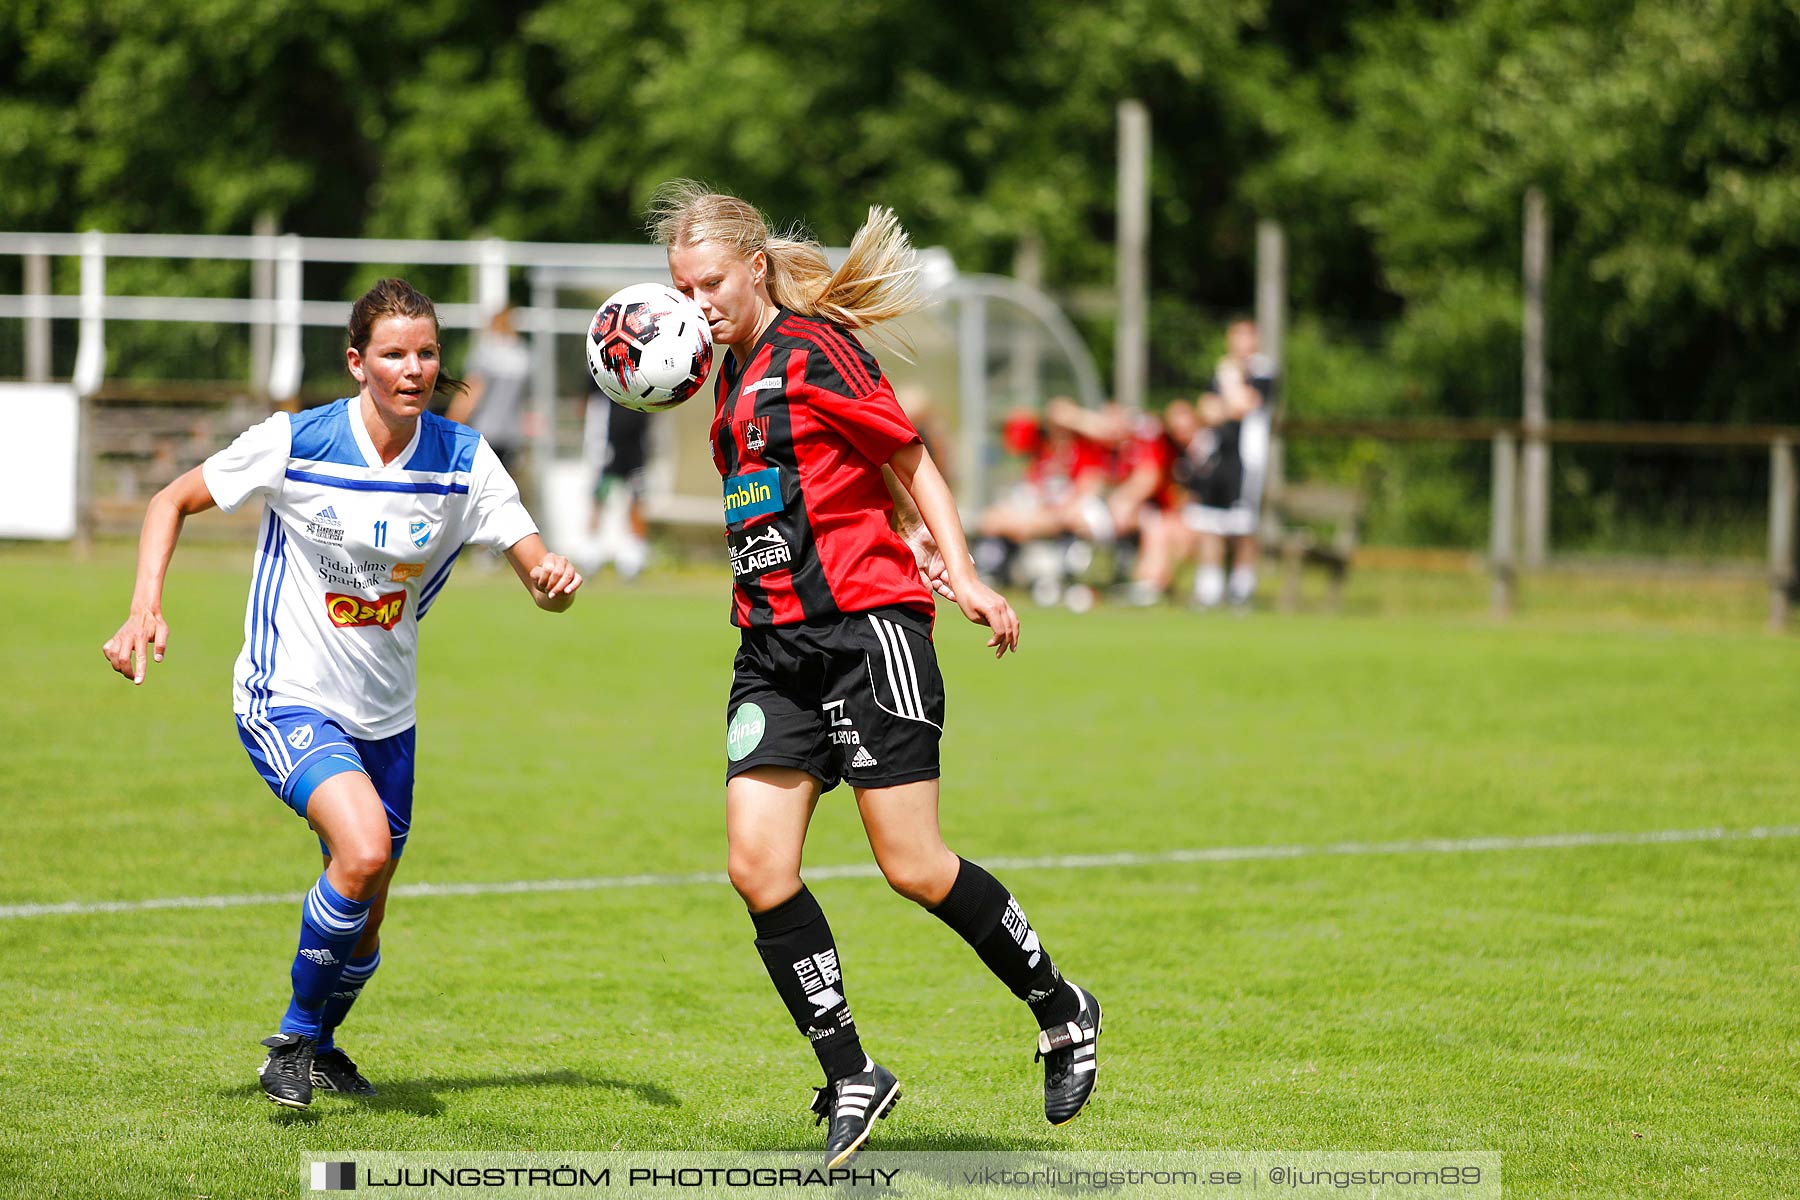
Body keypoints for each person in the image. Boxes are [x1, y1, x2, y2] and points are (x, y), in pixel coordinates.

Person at [654, 181, 1102, 1165]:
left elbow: (909, 459)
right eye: (682, 289)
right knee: (757, 868)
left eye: (712, 283)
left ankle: (1063, 1008)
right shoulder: (725, 378)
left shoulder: (811, 350)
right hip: (771, 652)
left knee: (913, 866)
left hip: (867, 636)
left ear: (755, 268)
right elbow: (824, 485)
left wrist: (965, 572)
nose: (698, 305)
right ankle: (851, 1072)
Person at [100, 279, 583, 1109]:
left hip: (389, 718)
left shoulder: (465, 460)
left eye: (427, 352)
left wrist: (551, 582)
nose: (414, 368)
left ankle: (320, 1044)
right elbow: (169, 499)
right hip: (287, 694)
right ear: (358, 362)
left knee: (368, 914)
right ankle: (289, 1039)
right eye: (394, 353)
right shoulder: (299, 441)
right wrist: (146, 604)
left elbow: (537, 567)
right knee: (359, 852)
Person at [1186, 319, 1276, 609]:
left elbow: (1241, 406)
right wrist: (1225, 402)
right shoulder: (1222, 370)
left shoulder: (1262, 372)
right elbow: (1206, 410)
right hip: (1217, 458)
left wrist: (1229, 389)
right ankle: (1209, 588)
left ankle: (1242, 587)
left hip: (1246, 463)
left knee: (1242, 526)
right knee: (1209, 522)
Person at [580, 389, 652, 578]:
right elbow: (590, 402)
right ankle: (590, 551)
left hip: (637, 448)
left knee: (637, 499)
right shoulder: (606, 369)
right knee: (599, 497)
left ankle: (634, 554)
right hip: (609, 446)